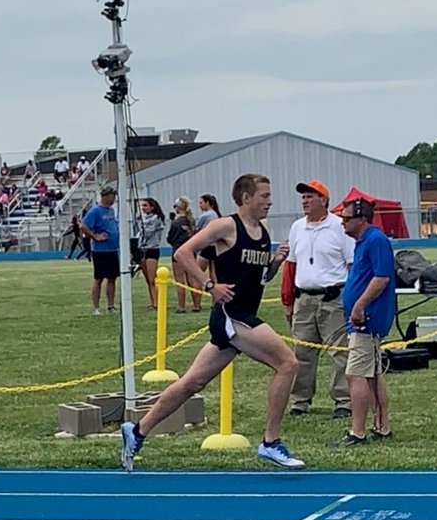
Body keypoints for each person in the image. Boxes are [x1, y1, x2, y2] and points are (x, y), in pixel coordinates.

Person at [120, 173, 303, 471]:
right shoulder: (225, 226)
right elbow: (183, 253)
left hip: (242, 314)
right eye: (264, 196)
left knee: (192, 382)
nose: (270, 201)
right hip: (232, 315)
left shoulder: (262, 231)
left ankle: (138, 430)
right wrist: (209, 285)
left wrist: (275, 262)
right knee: (288, 364)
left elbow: (260, 277)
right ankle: (270, 442)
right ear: (246, 198)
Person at [282, 180, 354, 418]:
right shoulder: (297, 228)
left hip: (333, 297)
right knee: (301, 352)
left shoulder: (339, 227)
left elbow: (351, 263)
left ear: (324, 200)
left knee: (339, 351)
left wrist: (352, 298)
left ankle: (343, 400)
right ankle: (299, 400)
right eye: (303, 197)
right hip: (304, 299)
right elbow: (291, 265)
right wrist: (288, 300)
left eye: (310, 196)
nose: (305, 201)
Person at [339, 198, 396, 444]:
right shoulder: (363, 242)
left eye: (346, 218)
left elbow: (382, 277)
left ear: (362, 219)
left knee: (356, 375)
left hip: (367, 320)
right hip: (361, 319)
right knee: (371, 374)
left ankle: (358, 431)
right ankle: (381, 426)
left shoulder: (375, 240)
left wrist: (360, 304)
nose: (342, 222)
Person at [80, 186, 119, 315]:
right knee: (99, 278)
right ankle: (96, 307)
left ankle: (110, 305)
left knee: (112, 278)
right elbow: (83, 226)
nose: (114, 199)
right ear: (105, 196)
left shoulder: (111, 210)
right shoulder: (95, 210)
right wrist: (95, 236)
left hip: (112, 248)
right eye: (112, 196)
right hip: (100, 250)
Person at [167, 197, 200, 313]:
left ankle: (181, 306)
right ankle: (196, 304)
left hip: (178, 252)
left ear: (178, 208)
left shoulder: (176, 223)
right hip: (190, 252)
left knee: (180, 281)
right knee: (192, 279)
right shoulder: (191, 221)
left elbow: (170, 238)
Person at [137, 198, 166, 311]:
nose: (143, 208)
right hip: (142, 249)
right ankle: (152, 300)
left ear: (152, 207)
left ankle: (157, 302)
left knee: (152, 278)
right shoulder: (144, 218)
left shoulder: (156, 218)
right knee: (147, 279)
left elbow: (148, 232)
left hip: (152, 249)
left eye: (145, 205)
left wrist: (140, 221)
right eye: (142, 206)